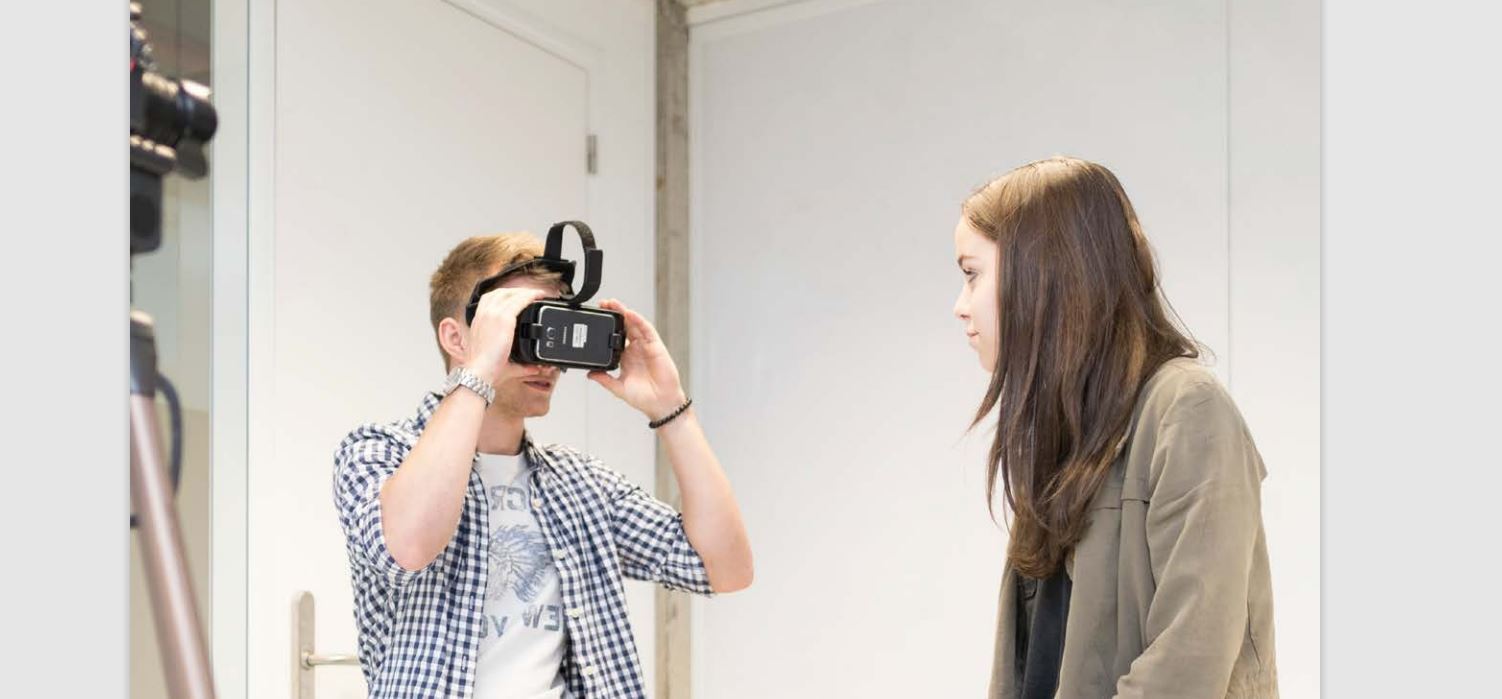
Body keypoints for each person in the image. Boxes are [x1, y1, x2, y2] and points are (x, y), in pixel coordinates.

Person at [332, 233, 753, 698]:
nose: (545, 353)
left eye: (553, 324)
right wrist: (481, 370)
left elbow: (724, 568)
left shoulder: (579, 482)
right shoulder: (377, 452)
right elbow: (408, 547)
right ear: (456, 337)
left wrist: (672, 410)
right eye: (520, 325)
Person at [951, 157, 1278, 698]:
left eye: (972, 274)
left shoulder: (1187, 410)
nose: (961, 306)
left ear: (1044, 271)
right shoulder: (1066, 434)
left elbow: (1186, 666)